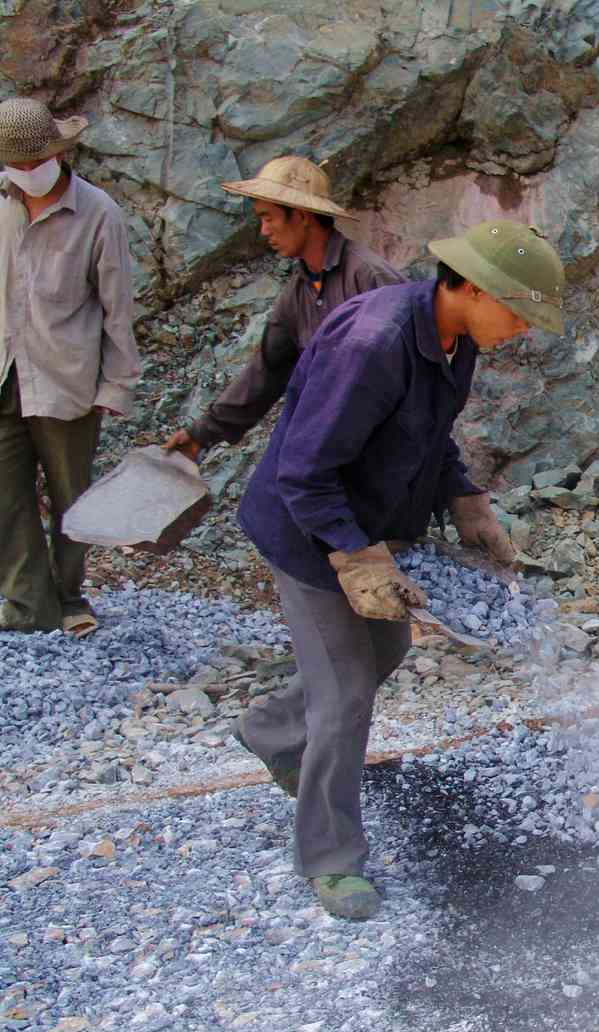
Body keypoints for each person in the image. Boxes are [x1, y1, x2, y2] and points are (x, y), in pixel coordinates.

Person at [236, 219, 564, 919]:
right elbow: (304, 470)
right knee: (346, 692)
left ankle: (268, 729)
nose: (524, 328)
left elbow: (428, 434)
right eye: (519, 311)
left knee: (387, 643)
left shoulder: (456, 340)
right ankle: (330, 856)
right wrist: (358, 557)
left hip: (368, 522)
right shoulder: (374, 344)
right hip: (309, 533)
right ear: (471, 287)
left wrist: (465, 497)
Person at [0, 97, 140, 638]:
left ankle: (70, 595)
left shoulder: (99, 213)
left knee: (71, 498)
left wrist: (116, 384)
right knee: (6, 499)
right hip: (5, 375)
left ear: (57, 155)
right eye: (17, 165)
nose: (26, 175)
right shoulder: (3, 205)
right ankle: (27, 603)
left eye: (34, 164)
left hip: (67, 379)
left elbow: (117, 308)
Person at [162, 156, 402, 461]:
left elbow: (415, 371)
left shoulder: (369, 278)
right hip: (336, 446)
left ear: (301, 216)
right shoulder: (298, 293)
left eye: (268, 217)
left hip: (382, 450)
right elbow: (266, 371)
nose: (263, 231)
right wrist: (202, 433)